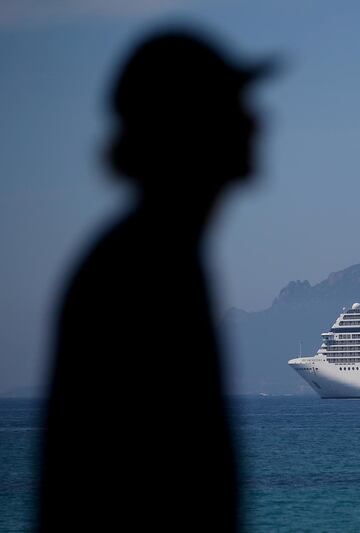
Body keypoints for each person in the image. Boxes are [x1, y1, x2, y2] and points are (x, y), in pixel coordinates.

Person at [38, 28, 277, 531]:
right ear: (187, 127)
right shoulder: (145, 268)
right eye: (232, 104)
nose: (258, 120)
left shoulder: (153, 251)